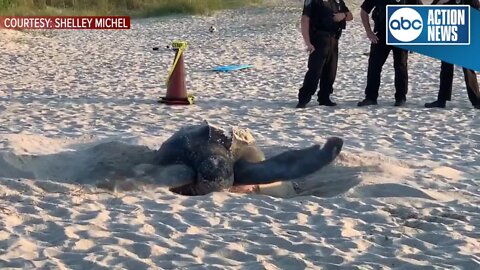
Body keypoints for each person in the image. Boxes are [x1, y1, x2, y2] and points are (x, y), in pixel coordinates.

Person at [357, 0, 423, 107]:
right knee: (374, 66)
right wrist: (369, 32)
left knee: (400, 66)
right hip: (381, 34)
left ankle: (401, 98)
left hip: (402, 34)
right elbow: (364, 11)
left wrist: (414, 37)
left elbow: (420, 12)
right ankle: (370, 97)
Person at [296, 0, 353, 108]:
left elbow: (350, 16)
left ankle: (324, 97)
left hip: (333, 39)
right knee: (315, 71)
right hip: (319, 39)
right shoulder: (313, 1)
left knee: (331, 71)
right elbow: (305, 20)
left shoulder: (337, 1)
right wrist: (308, 43)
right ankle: (304, 98)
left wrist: (343, 15)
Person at [424, 0, 480, 109]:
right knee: (445, 68)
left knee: (468, 69)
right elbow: (429, 10)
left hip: (466, 39)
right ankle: (441, 100)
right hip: (448, 37)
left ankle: (477, 100)